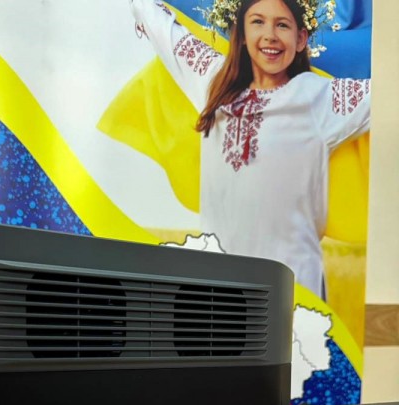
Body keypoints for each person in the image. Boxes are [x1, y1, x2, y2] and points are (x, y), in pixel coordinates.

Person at [128, 0, 371, 296]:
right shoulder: (211, 80)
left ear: (301, 39)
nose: (270, 35)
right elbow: (155, 20)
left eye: (282, 25)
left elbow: (386, 91)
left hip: (294, 290)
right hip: (221, 290)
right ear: (240, 34)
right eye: (257, 22)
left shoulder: (321, 98)